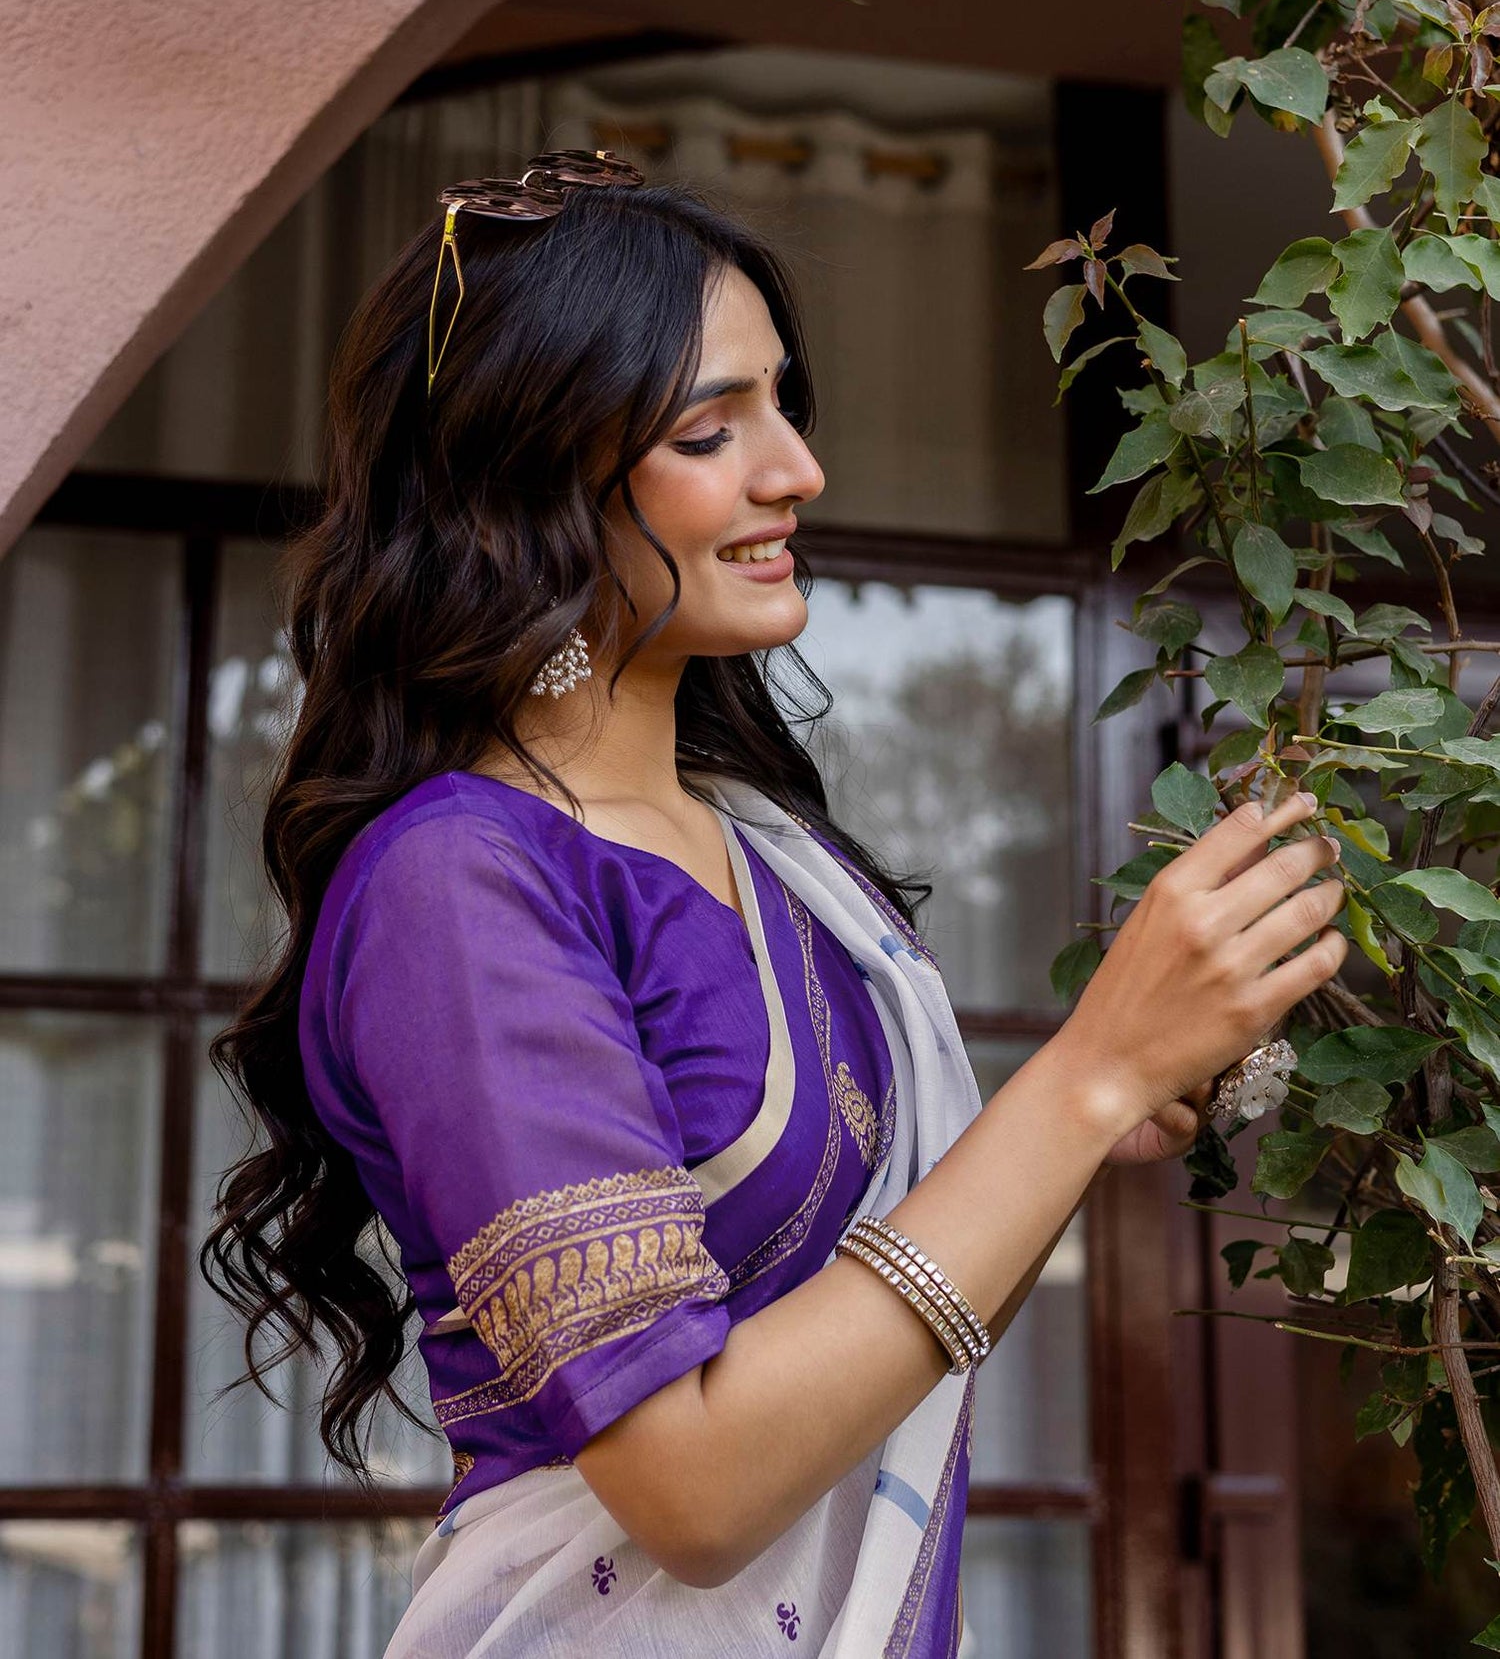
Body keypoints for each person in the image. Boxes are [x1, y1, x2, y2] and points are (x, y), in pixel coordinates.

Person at [201, 150, 1347, 1659]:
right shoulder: (460, 881)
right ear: (523, 481)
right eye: (707, 427)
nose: (796, 467)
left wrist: (1113, 1096)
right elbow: (695, 1481)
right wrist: (1086, 1073)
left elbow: (855, 1284)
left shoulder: (767, 851)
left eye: (784, 403)